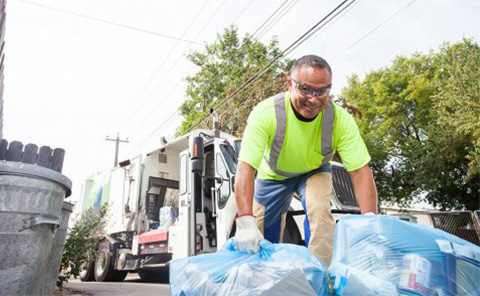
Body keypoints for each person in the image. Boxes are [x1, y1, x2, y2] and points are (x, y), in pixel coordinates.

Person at [234, 55, 377, 268]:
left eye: (322, 91)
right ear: (289, 83)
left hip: (314, 171)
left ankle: (319, 279)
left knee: (319, 209)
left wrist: (370, 222)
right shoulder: (266, 113)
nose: (314, 99)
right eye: (306, 89)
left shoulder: (340, 120)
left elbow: (359, 171)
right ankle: (259, 280)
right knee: (259, 234)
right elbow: (246, 169)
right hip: (273, 176)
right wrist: (245, 221)